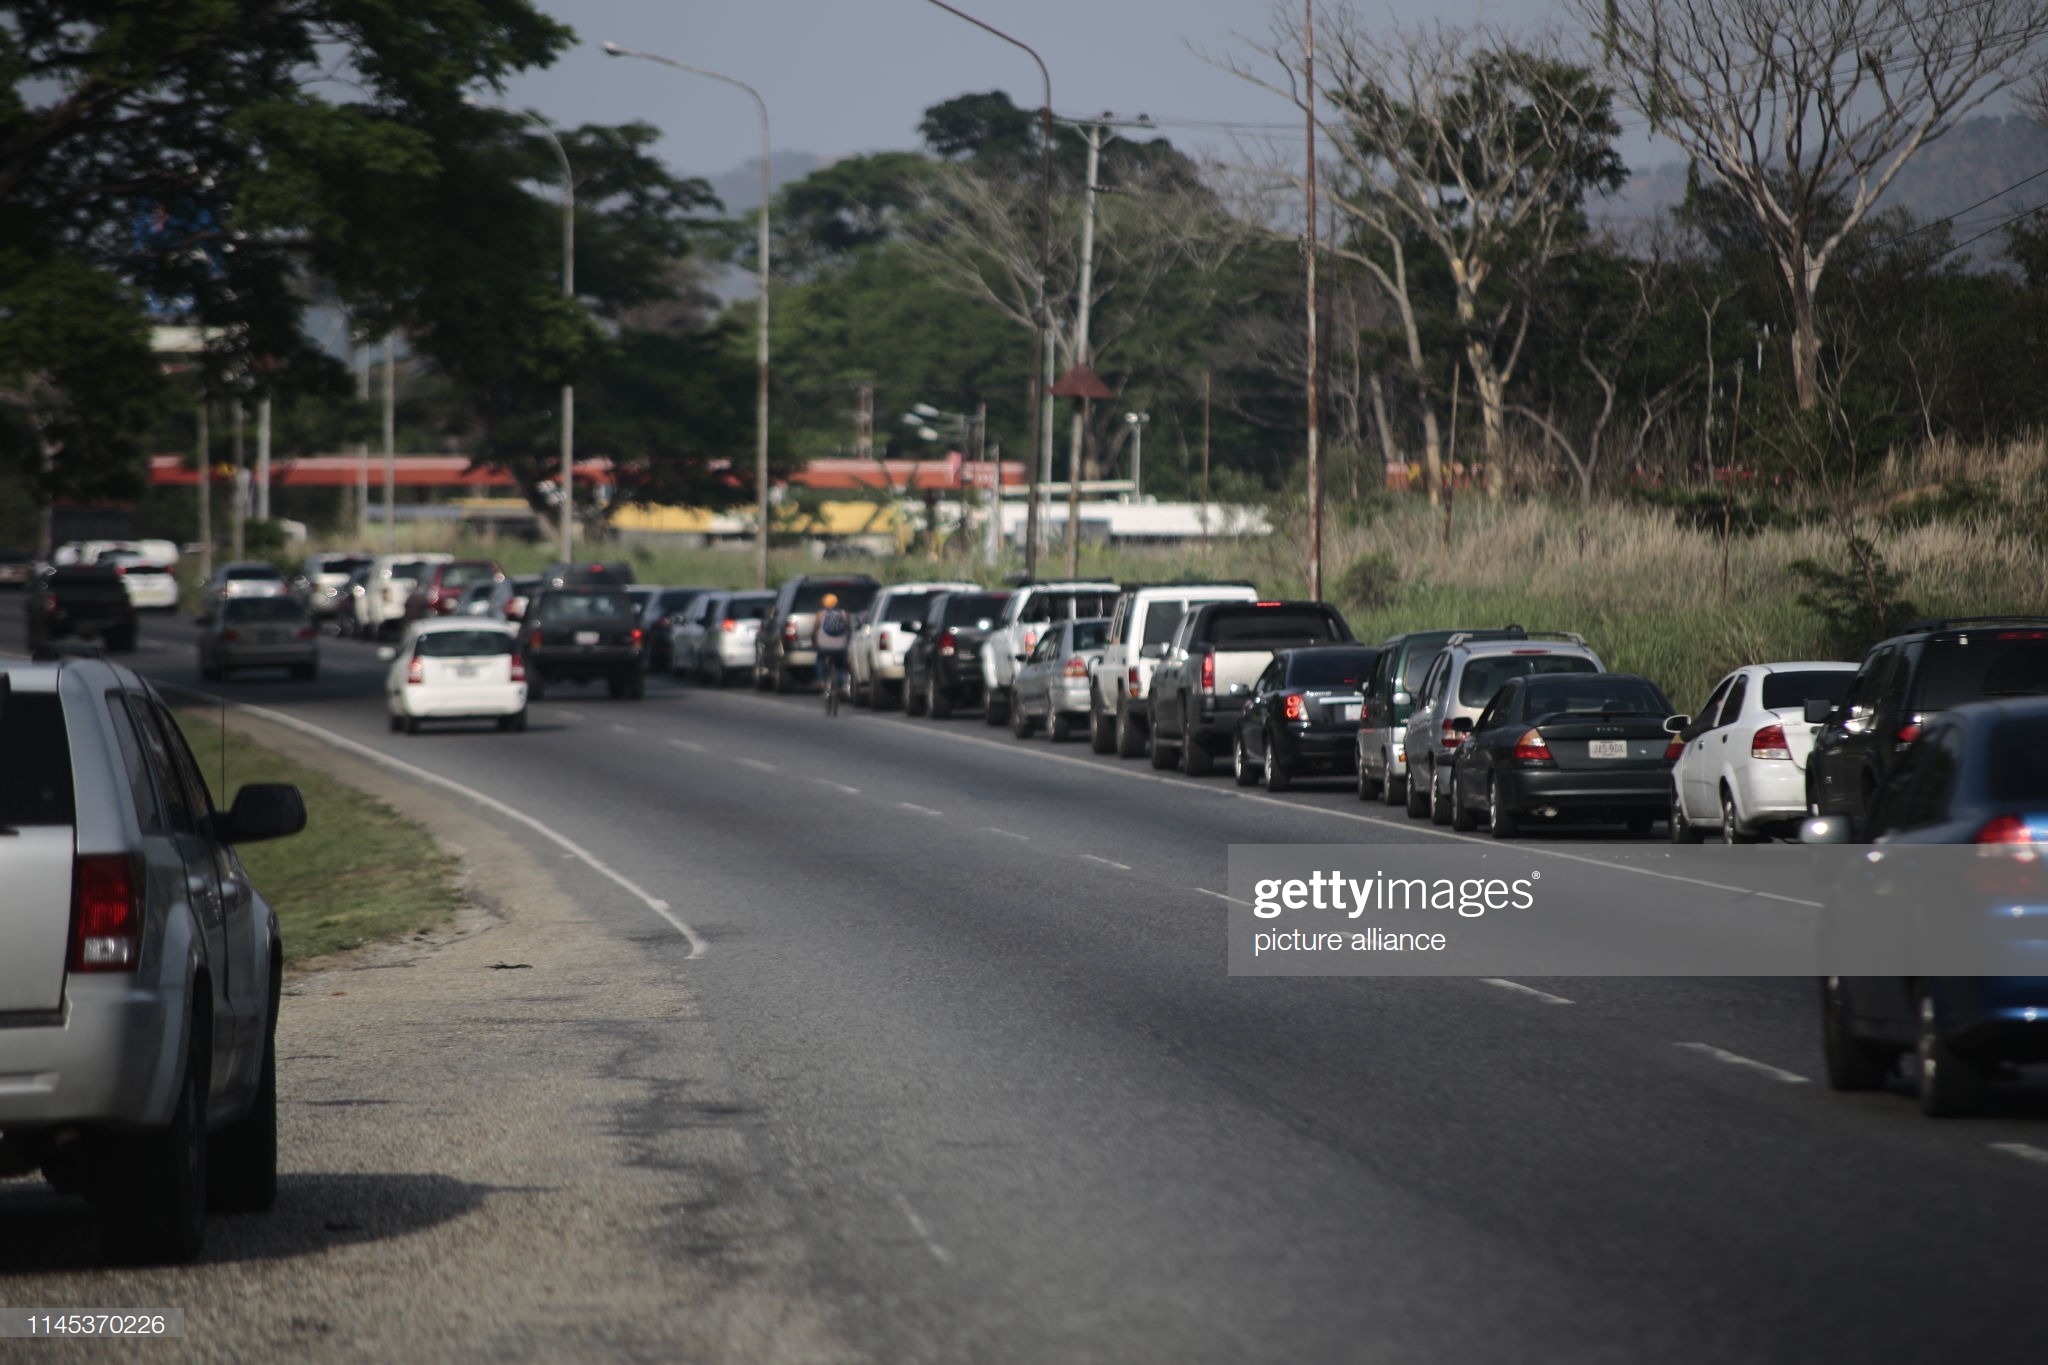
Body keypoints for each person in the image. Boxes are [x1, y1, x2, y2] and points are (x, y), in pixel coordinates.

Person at [813, 592, 852, 693]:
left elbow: (814, 631)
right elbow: (849, 630)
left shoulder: (821, 614)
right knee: (841, 664)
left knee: (820, 659)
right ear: (836, 603)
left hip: (824, 647)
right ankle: (844, 683)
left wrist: (814, 642)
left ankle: (821, 680)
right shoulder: (845, 613)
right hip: (841, 646)